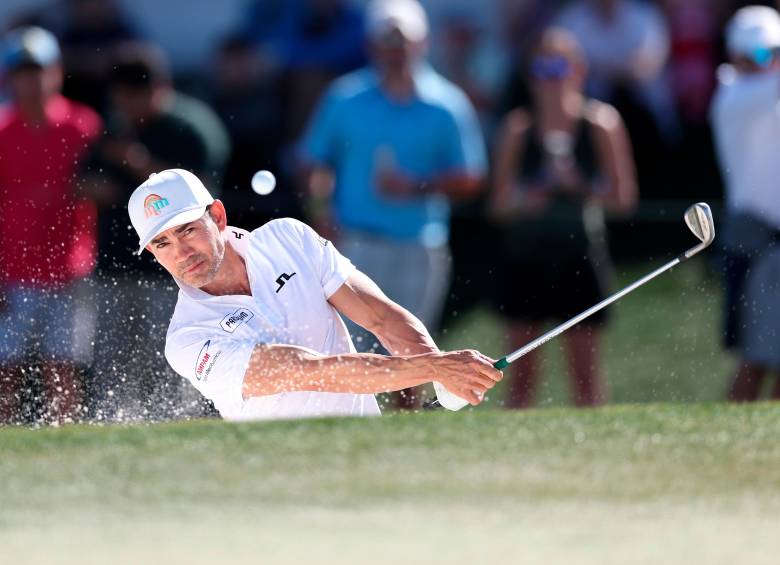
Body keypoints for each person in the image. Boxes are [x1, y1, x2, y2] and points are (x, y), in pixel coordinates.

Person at [127, 169, 501, 421]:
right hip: (284, 484)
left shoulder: (289, 238)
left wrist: (443, 374)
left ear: (219, 217)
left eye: (188, 230)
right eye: (162, 243)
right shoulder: (187, 339)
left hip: (366, 445)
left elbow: (380, 317)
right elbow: (312, 370)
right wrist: (437, 368)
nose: (181, 252)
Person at [300, 0, 487, 409]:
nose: (395, 51)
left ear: (422, 43)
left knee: (414, 353)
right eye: (387, 41)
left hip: (420, 243)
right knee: (348, 349)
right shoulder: (346, 97)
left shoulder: (446, 103)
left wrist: (415, 186)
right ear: (372, 45)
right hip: (354, 244)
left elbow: (471, 176)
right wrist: (320, 211)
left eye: (402, 41)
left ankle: (402, 434)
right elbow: (314, 161)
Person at [79, 43, 230, 421]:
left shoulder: (189, 127)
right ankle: (107, 425)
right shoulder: (113, 127)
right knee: (111, 360)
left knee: (172, 362)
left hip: (175, 272)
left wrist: (136, 164)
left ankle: (174, 424)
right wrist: (98, 189)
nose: (126, 107)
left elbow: (201, 192)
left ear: (156, 89)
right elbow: (84, 180)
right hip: (115, 267)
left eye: (132, 97)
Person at [489, 28, 637, 408]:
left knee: (585, 373)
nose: (551, 78)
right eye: (542, 68)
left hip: (579, 254)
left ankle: (593, 453)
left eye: (559, 67)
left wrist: (579, 186)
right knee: (519, 374)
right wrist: (528, 200)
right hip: (527, 255)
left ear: (578, 71)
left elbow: (623, 199)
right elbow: (498, 205)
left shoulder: (600, 123)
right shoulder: (518, 129)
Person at [0, 27, 102, 424]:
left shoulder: (83, 126)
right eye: (23, 71)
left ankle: (67, 438)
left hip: (68, 268)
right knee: (5, 370)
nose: (32, 81)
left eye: (38, 70)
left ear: (56, 72)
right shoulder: (2, 130)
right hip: (12, 272)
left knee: (64, 367)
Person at [710, 6, 780, 402]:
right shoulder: (734, 95)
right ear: (735, 55)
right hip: (757, 240)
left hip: (767, 239)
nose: (767, 61)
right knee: (755, 362)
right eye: (759, 54)